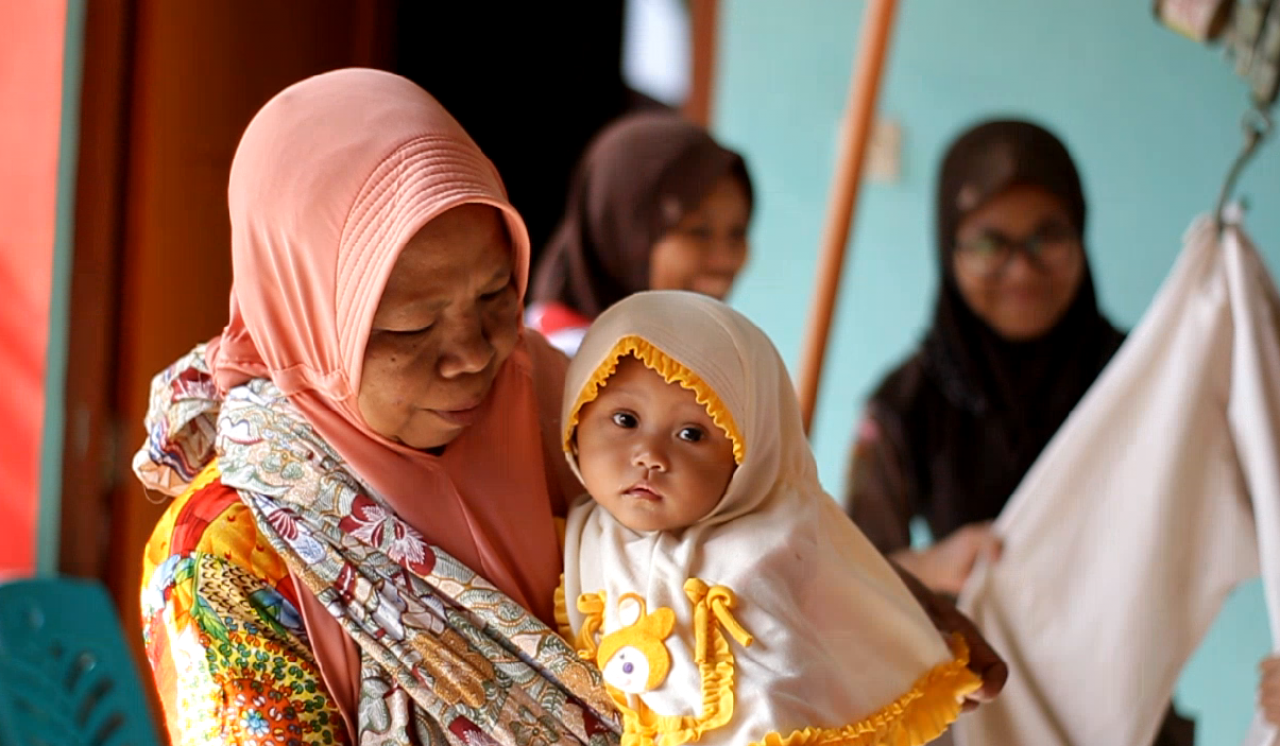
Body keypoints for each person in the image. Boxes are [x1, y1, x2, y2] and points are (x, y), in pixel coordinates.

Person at [134, 69, 1003, 746]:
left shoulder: (556, 400)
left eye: (496, 297)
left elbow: (745, 524)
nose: (473, 354)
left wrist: (882, 601)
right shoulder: (230, 566)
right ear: (307, 317)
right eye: (407, 326)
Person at [844, 118, 1193, 745]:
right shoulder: (907, 404)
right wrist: (934, 565)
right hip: (978, 710)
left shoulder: (1141, 380)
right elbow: (847, 583)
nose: (1021, 268)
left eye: (1048, 236)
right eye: (988, 242)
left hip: (1127, 703)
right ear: (948, 247)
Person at [558, 291, 981, 745]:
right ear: (575, 418)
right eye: (625, 419)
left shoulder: (780, 545)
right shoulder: (574, 534)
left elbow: (794, 690)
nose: (651, 456)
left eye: (691, 433)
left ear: (751, 456)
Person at [527, 112, 753, 355]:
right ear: (622, 237)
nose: (725, 259)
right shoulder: (571, 371)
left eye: (737, 233)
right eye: (699, 232)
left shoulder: (667, 350)